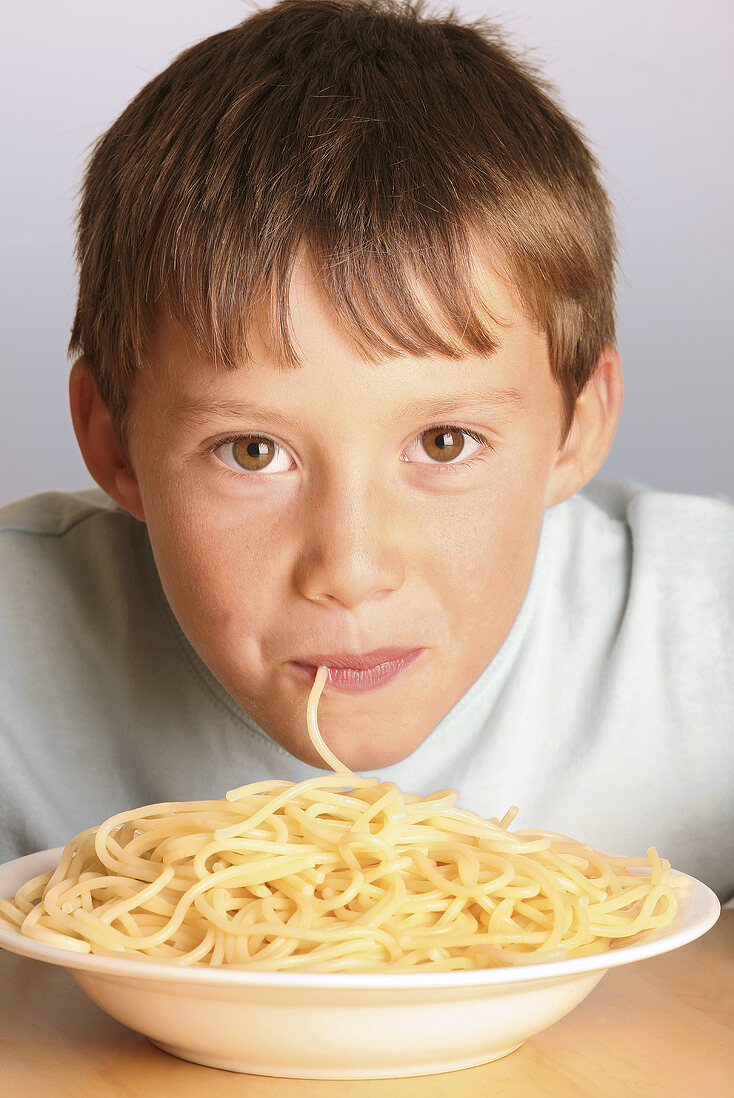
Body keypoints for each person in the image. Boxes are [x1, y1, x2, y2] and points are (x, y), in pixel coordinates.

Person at [0, 0, 731, 902]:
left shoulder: (708, 634)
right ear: (115, 445)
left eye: (444, 441)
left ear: (576, 427)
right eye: (253, 452)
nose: (351, 568)